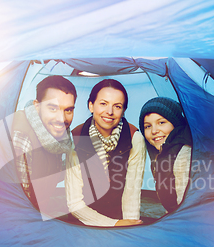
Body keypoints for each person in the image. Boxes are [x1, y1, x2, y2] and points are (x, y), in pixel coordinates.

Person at [66, 79, 146, 226]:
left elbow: (132, 193)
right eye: (103, 103)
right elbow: (75, 203)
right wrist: (113, 224)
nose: (109, 112)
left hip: (119, 216)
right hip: (83, 220)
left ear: (123, 111)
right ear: (91, 106)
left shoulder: (135, 138)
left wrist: (129, 226)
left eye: (117, 106)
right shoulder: (75, 138)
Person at [11, 75, 76, 215]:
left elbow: (49, 174)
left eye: (68, 110)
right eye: (53, 109)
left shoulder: (60, 139)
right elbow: (16, 204)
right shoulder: (22, 137)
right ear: (37, 106)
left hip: (39, 213)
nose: (61, 119)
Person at [139, 97, 192, 213]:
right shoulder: (160, 156)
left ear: (175, 124)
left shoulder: (185, 155)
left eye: (161, 123)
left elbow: (187, 210)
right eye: (148, 126)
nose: (154, 131)